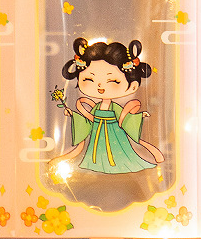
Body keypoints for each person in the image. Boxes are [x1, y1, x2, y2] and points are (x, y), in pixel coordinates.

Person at [49, 38, 164, 176]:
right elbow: (87, 121)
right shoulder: (96, 107)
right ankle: (96, 162)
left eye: (113, 81)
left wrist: (140, 116)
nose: (100, 86)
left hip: (115, 132)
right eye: (89, 79)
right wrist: (73, 115)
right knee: (96, 150)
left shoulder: (115, 108)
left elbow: (126, 119)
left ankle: (116, 162)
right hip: (97, 132)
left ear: (133, 86)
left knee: (117, 152)